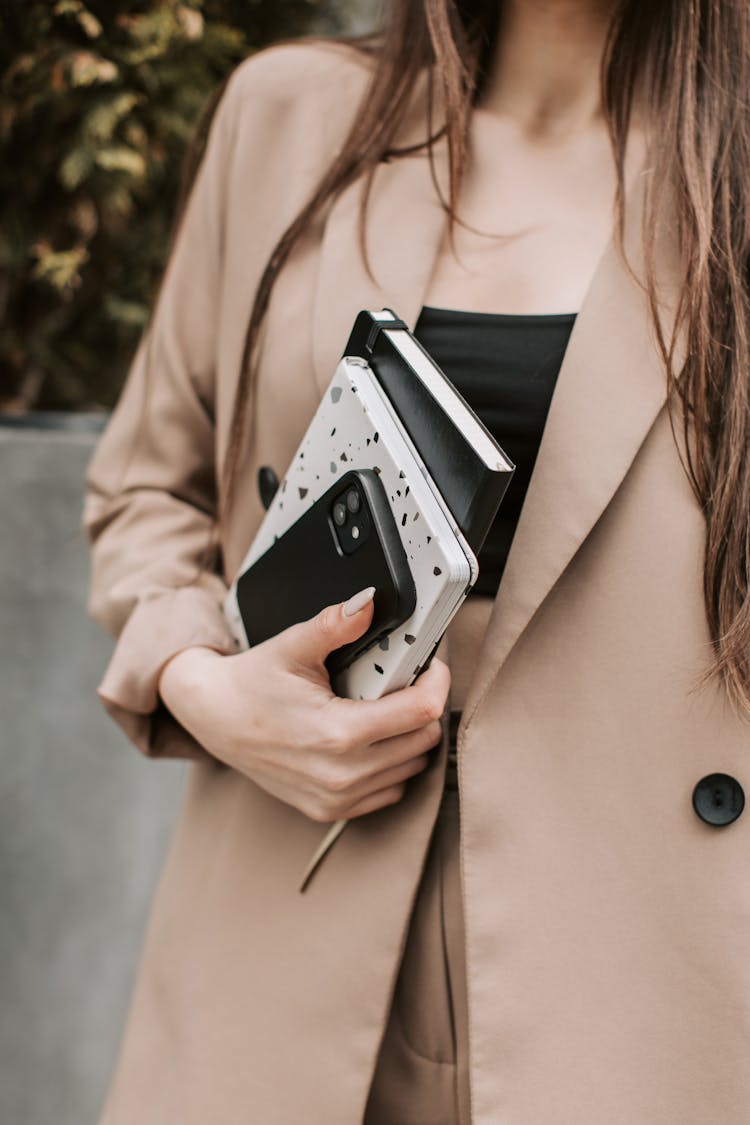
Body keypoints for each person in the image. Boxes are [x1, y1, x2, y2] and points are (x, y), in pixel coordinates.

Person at [82, 1, 750, 1122]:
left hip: (649, 970)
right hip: (285, 925)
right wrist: (210, 688)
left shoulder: (725, 166)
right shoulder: (288, 119)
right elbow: (149, 486)